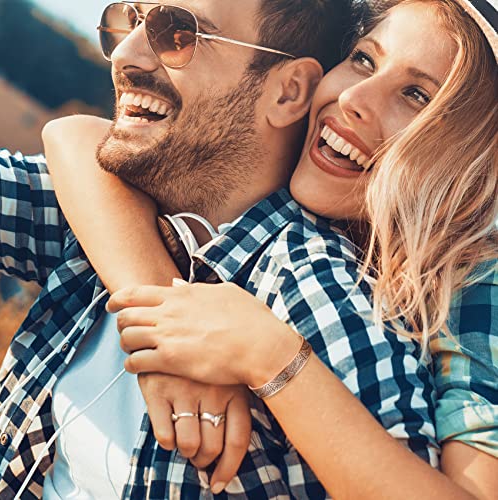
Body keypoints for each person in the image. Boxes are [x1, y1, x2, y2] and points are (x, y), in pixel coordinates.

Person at [43, 0, 497, 498]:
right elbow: (74, 136)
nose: (354, 99)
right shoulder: (195, 209)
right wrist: (161, 328)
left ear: (476, 156)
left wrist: (273, 357)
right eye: (364, 59)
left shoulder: (476, 282)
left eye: (415, 94)